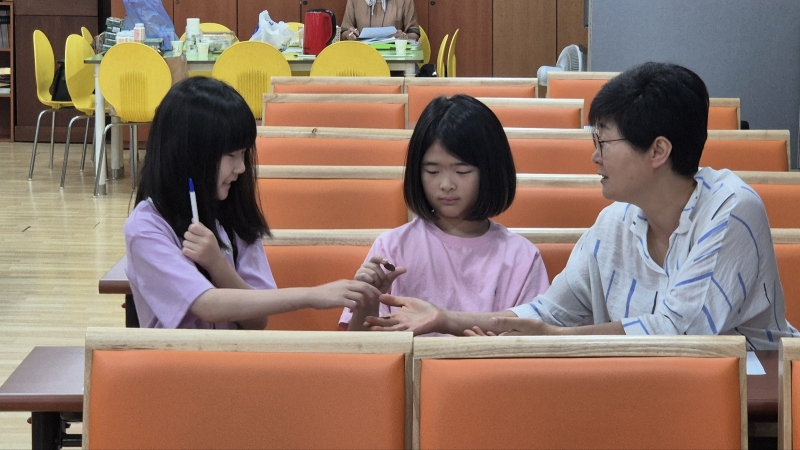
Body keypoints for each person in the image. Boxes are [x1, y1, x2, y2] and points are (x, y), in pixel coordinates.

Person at [364, 62, 798, 350]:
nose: (594, 157)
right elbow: (546, 313)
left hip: (757, 406)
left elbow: (677, 331)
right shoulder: (614, 223)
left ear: (658, 151)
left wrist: (554, 337)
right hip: (648, 393)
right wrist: (446, 320)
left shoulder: (731, 210)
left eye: (603, 141)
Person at [124, 77, 380, 329]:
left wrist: (218, 265)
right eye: (231, 155)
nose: (241, 168)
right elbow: (206, 305)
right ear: (190, 154)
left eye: (244, 154)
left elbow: (257, 320)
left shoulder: (234, 214)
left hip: (238, 354)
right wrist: (312, 295)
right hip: (178, 357)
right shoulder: (146, 227)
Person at [341, 94, 550, 334]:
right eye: (432, 171)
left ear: (490, 172)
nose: (446, 185)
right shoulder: (392, 248)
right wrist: (367, 301)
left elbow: (533, 341)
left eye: (462, 171)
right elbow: (360, 345)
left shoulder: (521, 256)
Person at [341, 0, 420, 41]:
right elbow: (343, 32)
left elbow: (414, 33)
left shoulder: (405, 1)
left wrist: (405, 37)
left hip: (396, 54)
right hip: (362, 53)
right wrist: (349, 34)